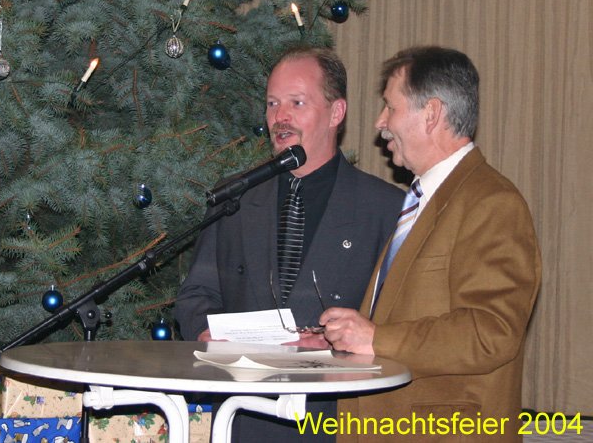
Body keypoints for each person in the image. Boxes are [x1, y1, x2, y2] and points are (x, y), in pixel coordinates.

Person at [175, 45, 404, 442]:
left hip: (335, 420)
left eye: (296, 103)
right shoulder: (235, 200)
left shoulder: (385, 208)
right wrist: (204, 333)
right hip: (243, 417)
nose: (280, 117)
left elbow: (402, 322)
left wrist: (342, 341)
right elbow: (197, 293)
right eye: (272, 104)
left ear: (336, 113)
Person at [320, 46, 542, 442]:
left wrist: (375, 338)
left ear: (431, 113)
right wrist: (339, 340)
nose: (380, 122)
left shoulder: (492, 202)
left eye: (391, 107)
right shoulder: (422, 201)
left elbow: (491, 332)